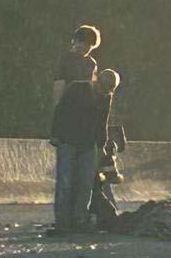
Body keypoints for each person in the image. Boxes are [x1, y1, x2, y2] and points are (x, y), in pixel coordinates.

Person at [51, 69, 120, 234]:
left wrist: (101, 146)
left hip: (88, 145)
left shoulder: (106, 97)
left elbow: (102, 122)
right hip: (68, 141)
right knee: (65, 184)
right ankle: (62, 222)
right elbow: (61, 111)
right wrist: (55, 134)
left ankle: (80, 220)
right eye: (103, 88)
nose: (104, 93)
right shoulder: (77, 88)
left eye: (107, 91)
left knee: (86, 185)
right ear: (98, 81)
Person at [53, 25, 101, 107]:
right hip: (66, 102)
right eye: (84, 44)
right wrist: (58, 105)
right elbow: (59, 83)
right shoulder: (66, 59)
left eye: (89, 46)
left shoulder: (91, 63)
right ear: (76, 42)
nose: (86, 49)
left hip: (83, 104)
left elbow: (92, 86)